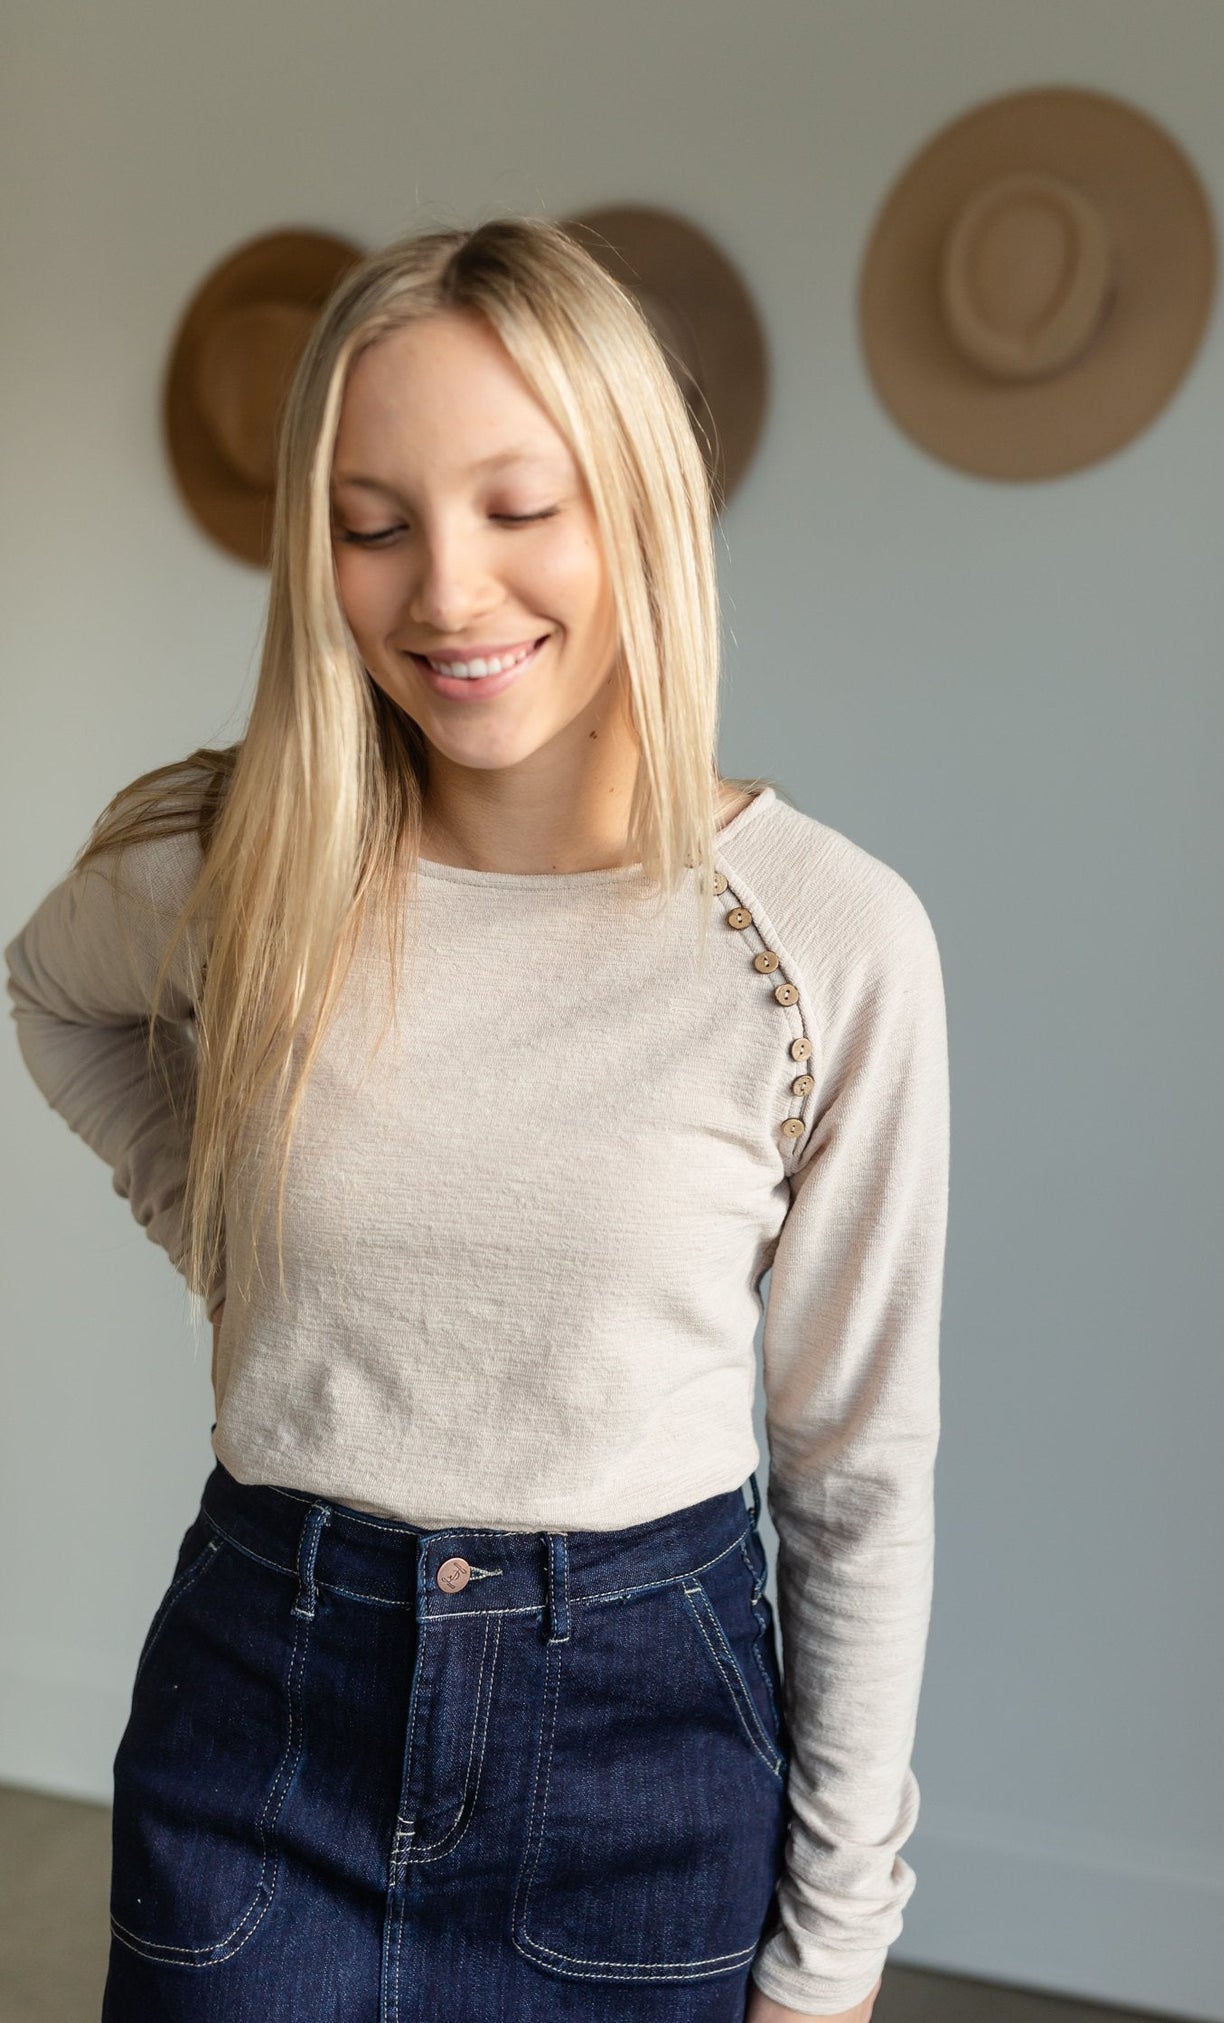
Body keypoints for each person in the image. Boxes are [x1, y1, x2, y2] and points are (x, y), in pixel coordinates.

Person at [4, 215, 950, 2022]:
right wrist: (224, 1221)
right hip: (257, 1733)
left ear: (640, 507)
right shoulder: (231, 865)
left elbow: (858, 1480)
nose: (445, 592)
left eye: (521, 509)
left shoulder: (823, 944)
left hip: (641, 1761)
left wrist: (832, 1955)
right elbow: (56, 996)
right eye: (373, 526)